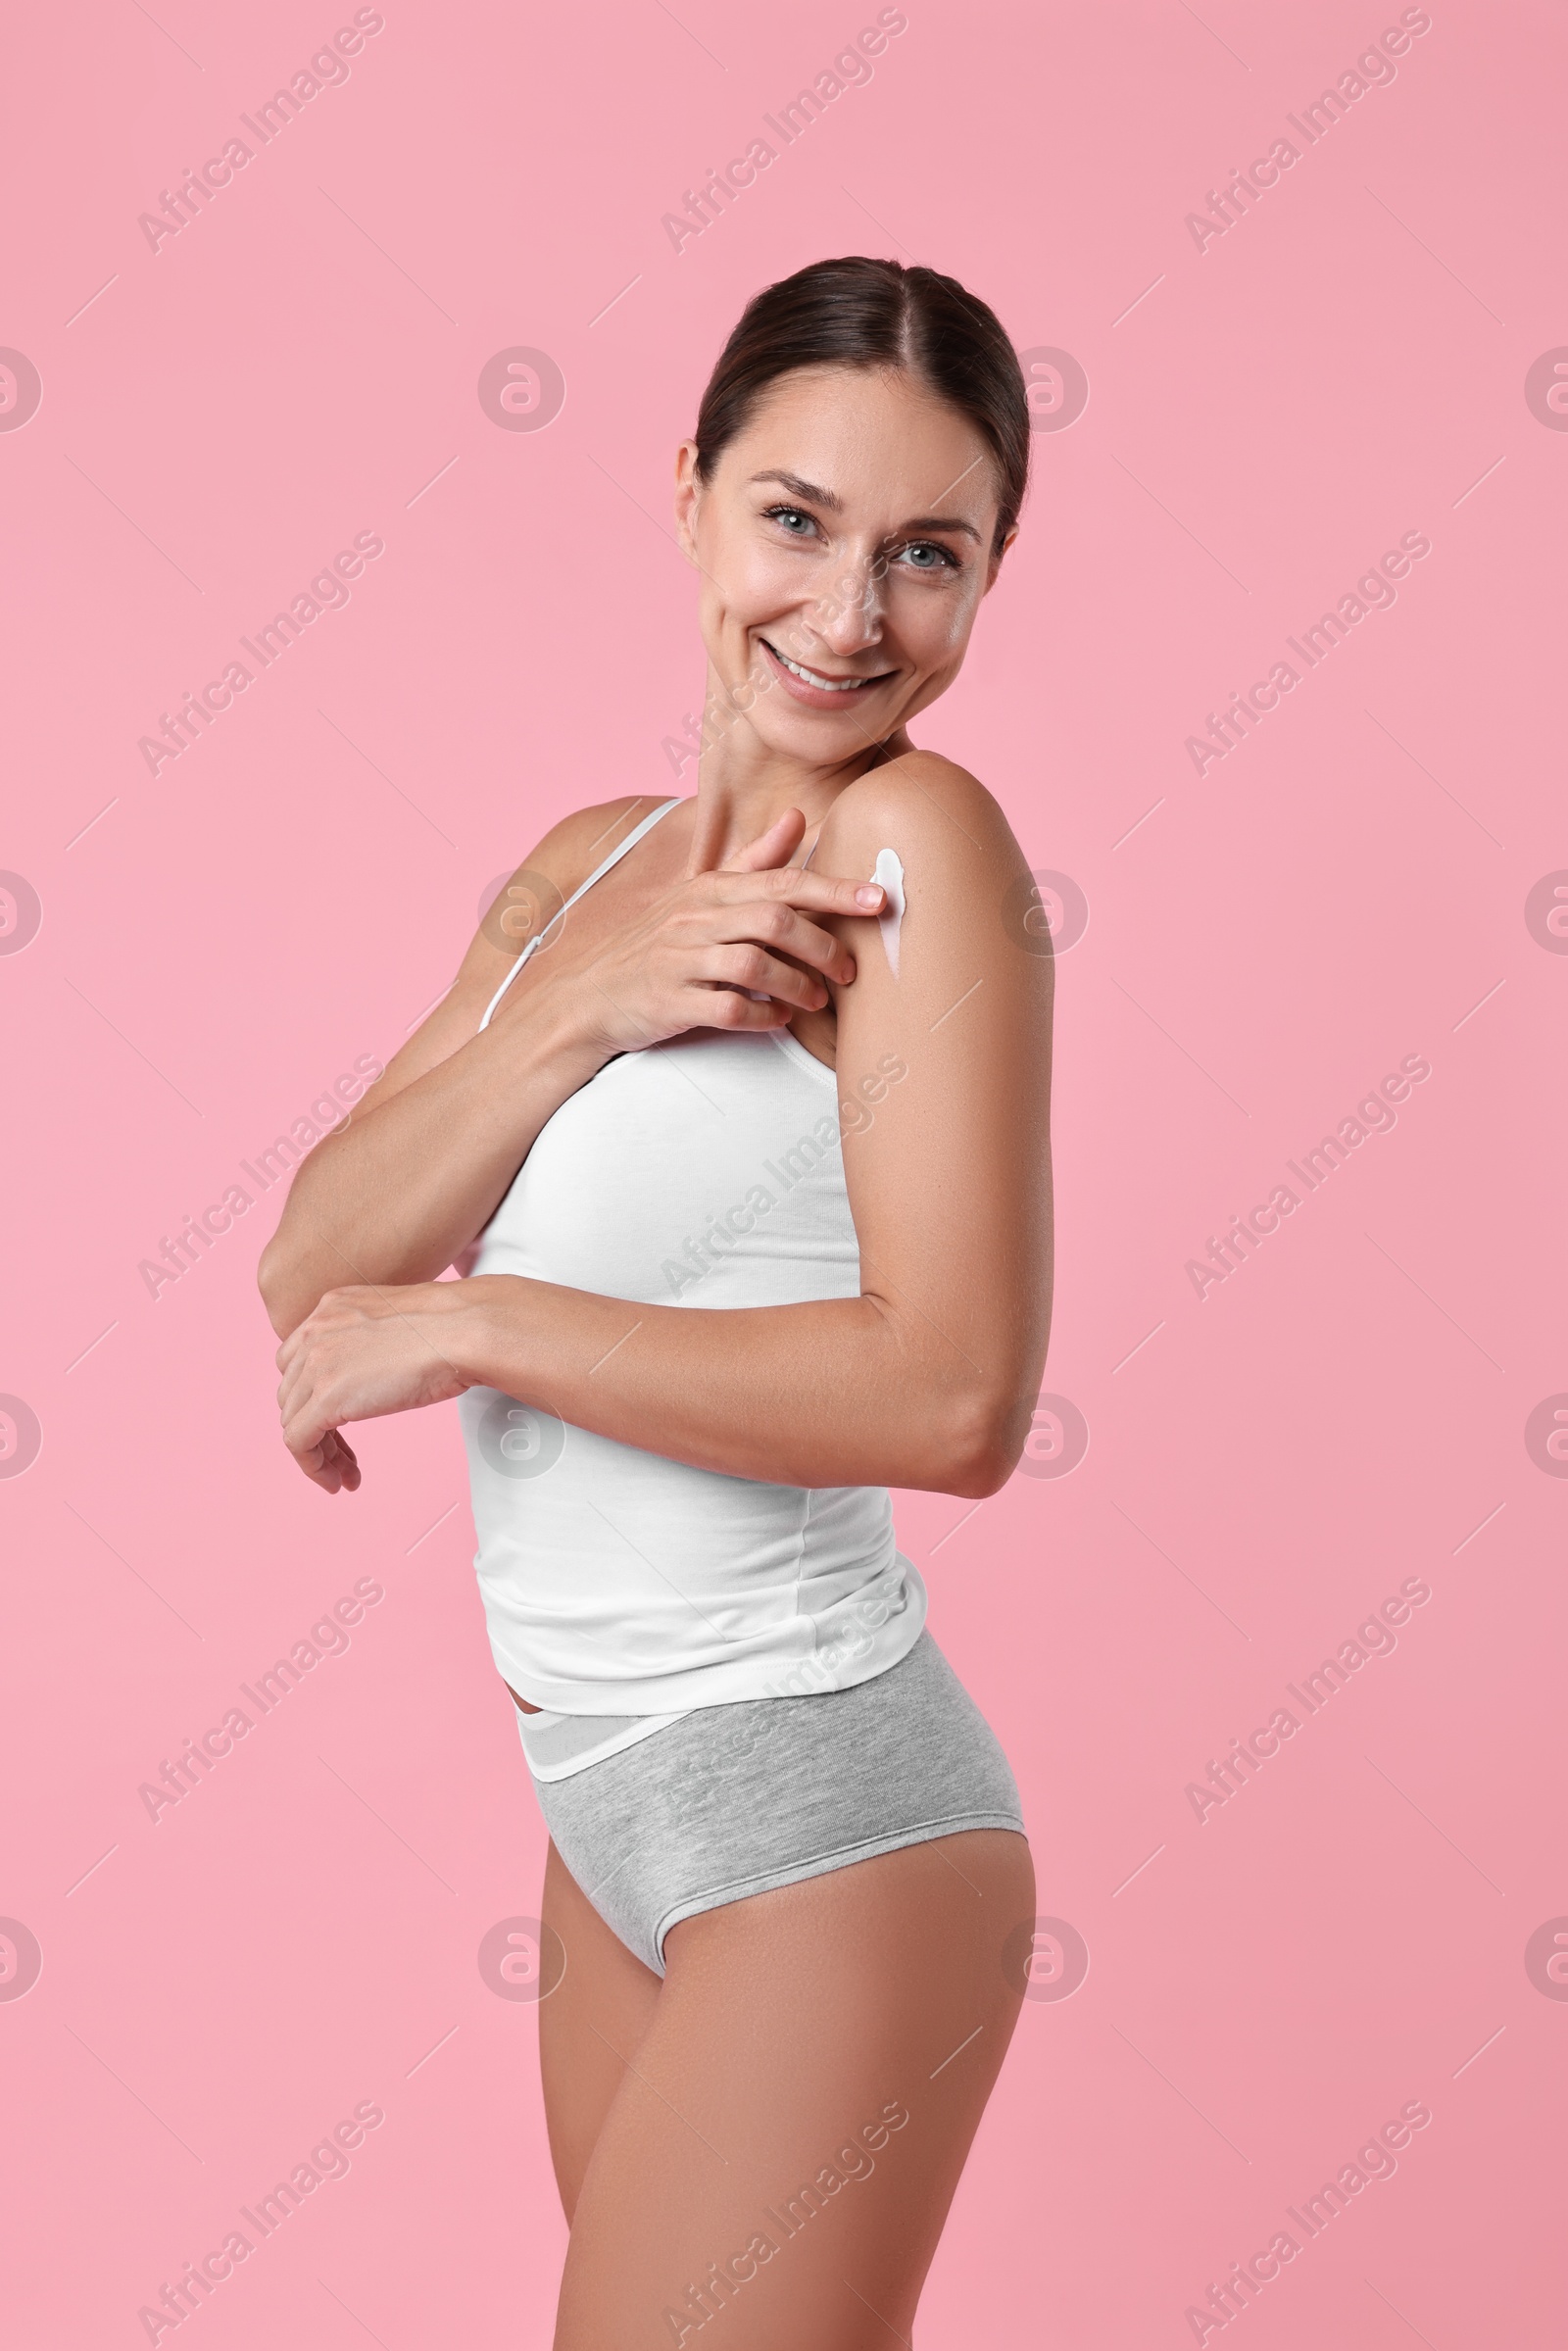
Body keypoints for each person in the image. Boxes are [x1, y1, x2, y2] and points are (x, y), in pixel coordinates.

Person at [260, 254, 1054, 2348]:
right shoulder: (585, 871)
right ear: (688, 495)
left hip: (819, 1813)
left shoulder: (919, 856)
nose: (849, 613)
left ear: (985, 585)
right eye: (793, 519)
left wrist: (482, 1325)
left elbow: (957, 1393)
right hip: (605, 1820)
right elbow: (312, 1261)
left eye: (925, 555)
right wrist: (582, 1010)